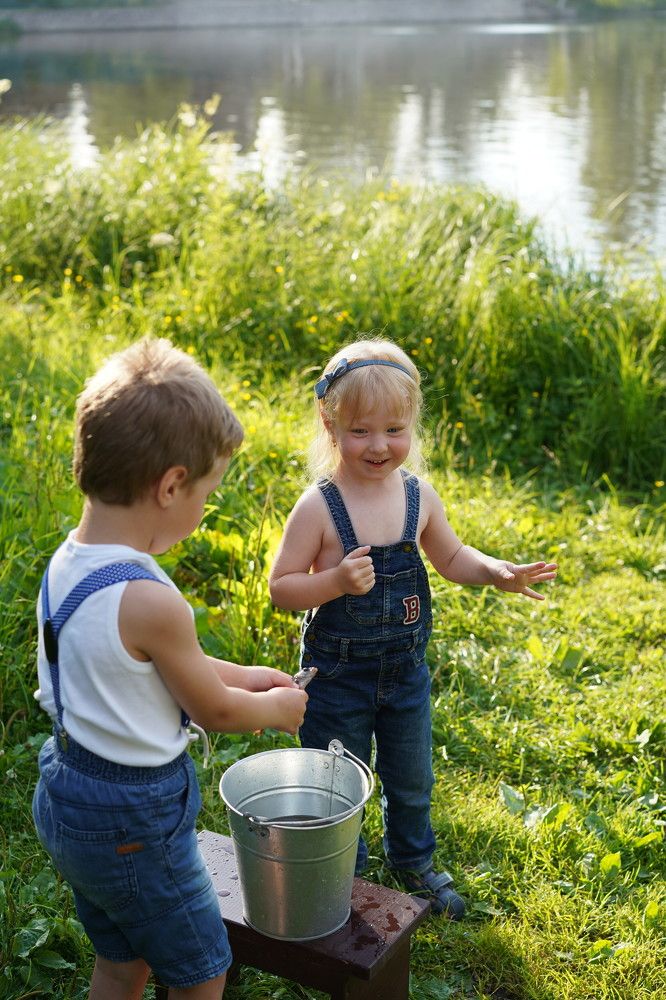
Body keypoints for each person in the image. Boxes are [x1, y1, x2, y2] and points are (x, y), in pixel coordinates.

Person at [32, 338, 308, 1000]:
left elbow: (149, 666)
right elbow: (211, 710)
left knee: (123, 961)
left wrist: (243, 671)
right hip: (136, 823)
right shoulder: (153, 601)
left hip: (71, 796)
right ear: (171, 485)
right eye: (207, 493)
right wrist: (274, 709)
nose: (204, 508)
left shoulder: (70, 563)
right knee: (202, 968)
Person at [268, 338, 557, 920]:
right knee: (335, 779)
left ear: (412, 426)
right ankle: (340, 870)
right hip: (338, 677)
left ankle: (413, 861)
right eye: (360, 431)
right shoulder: (320, 507)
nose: (379, 445)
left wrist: (494, 571)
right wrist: (333, 584)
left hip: (404, 674)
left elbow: (451, 558)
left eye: (393, 430)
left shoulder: (417, 496)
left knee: (411, 777)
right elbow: (282, 588)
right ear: (330, 425)